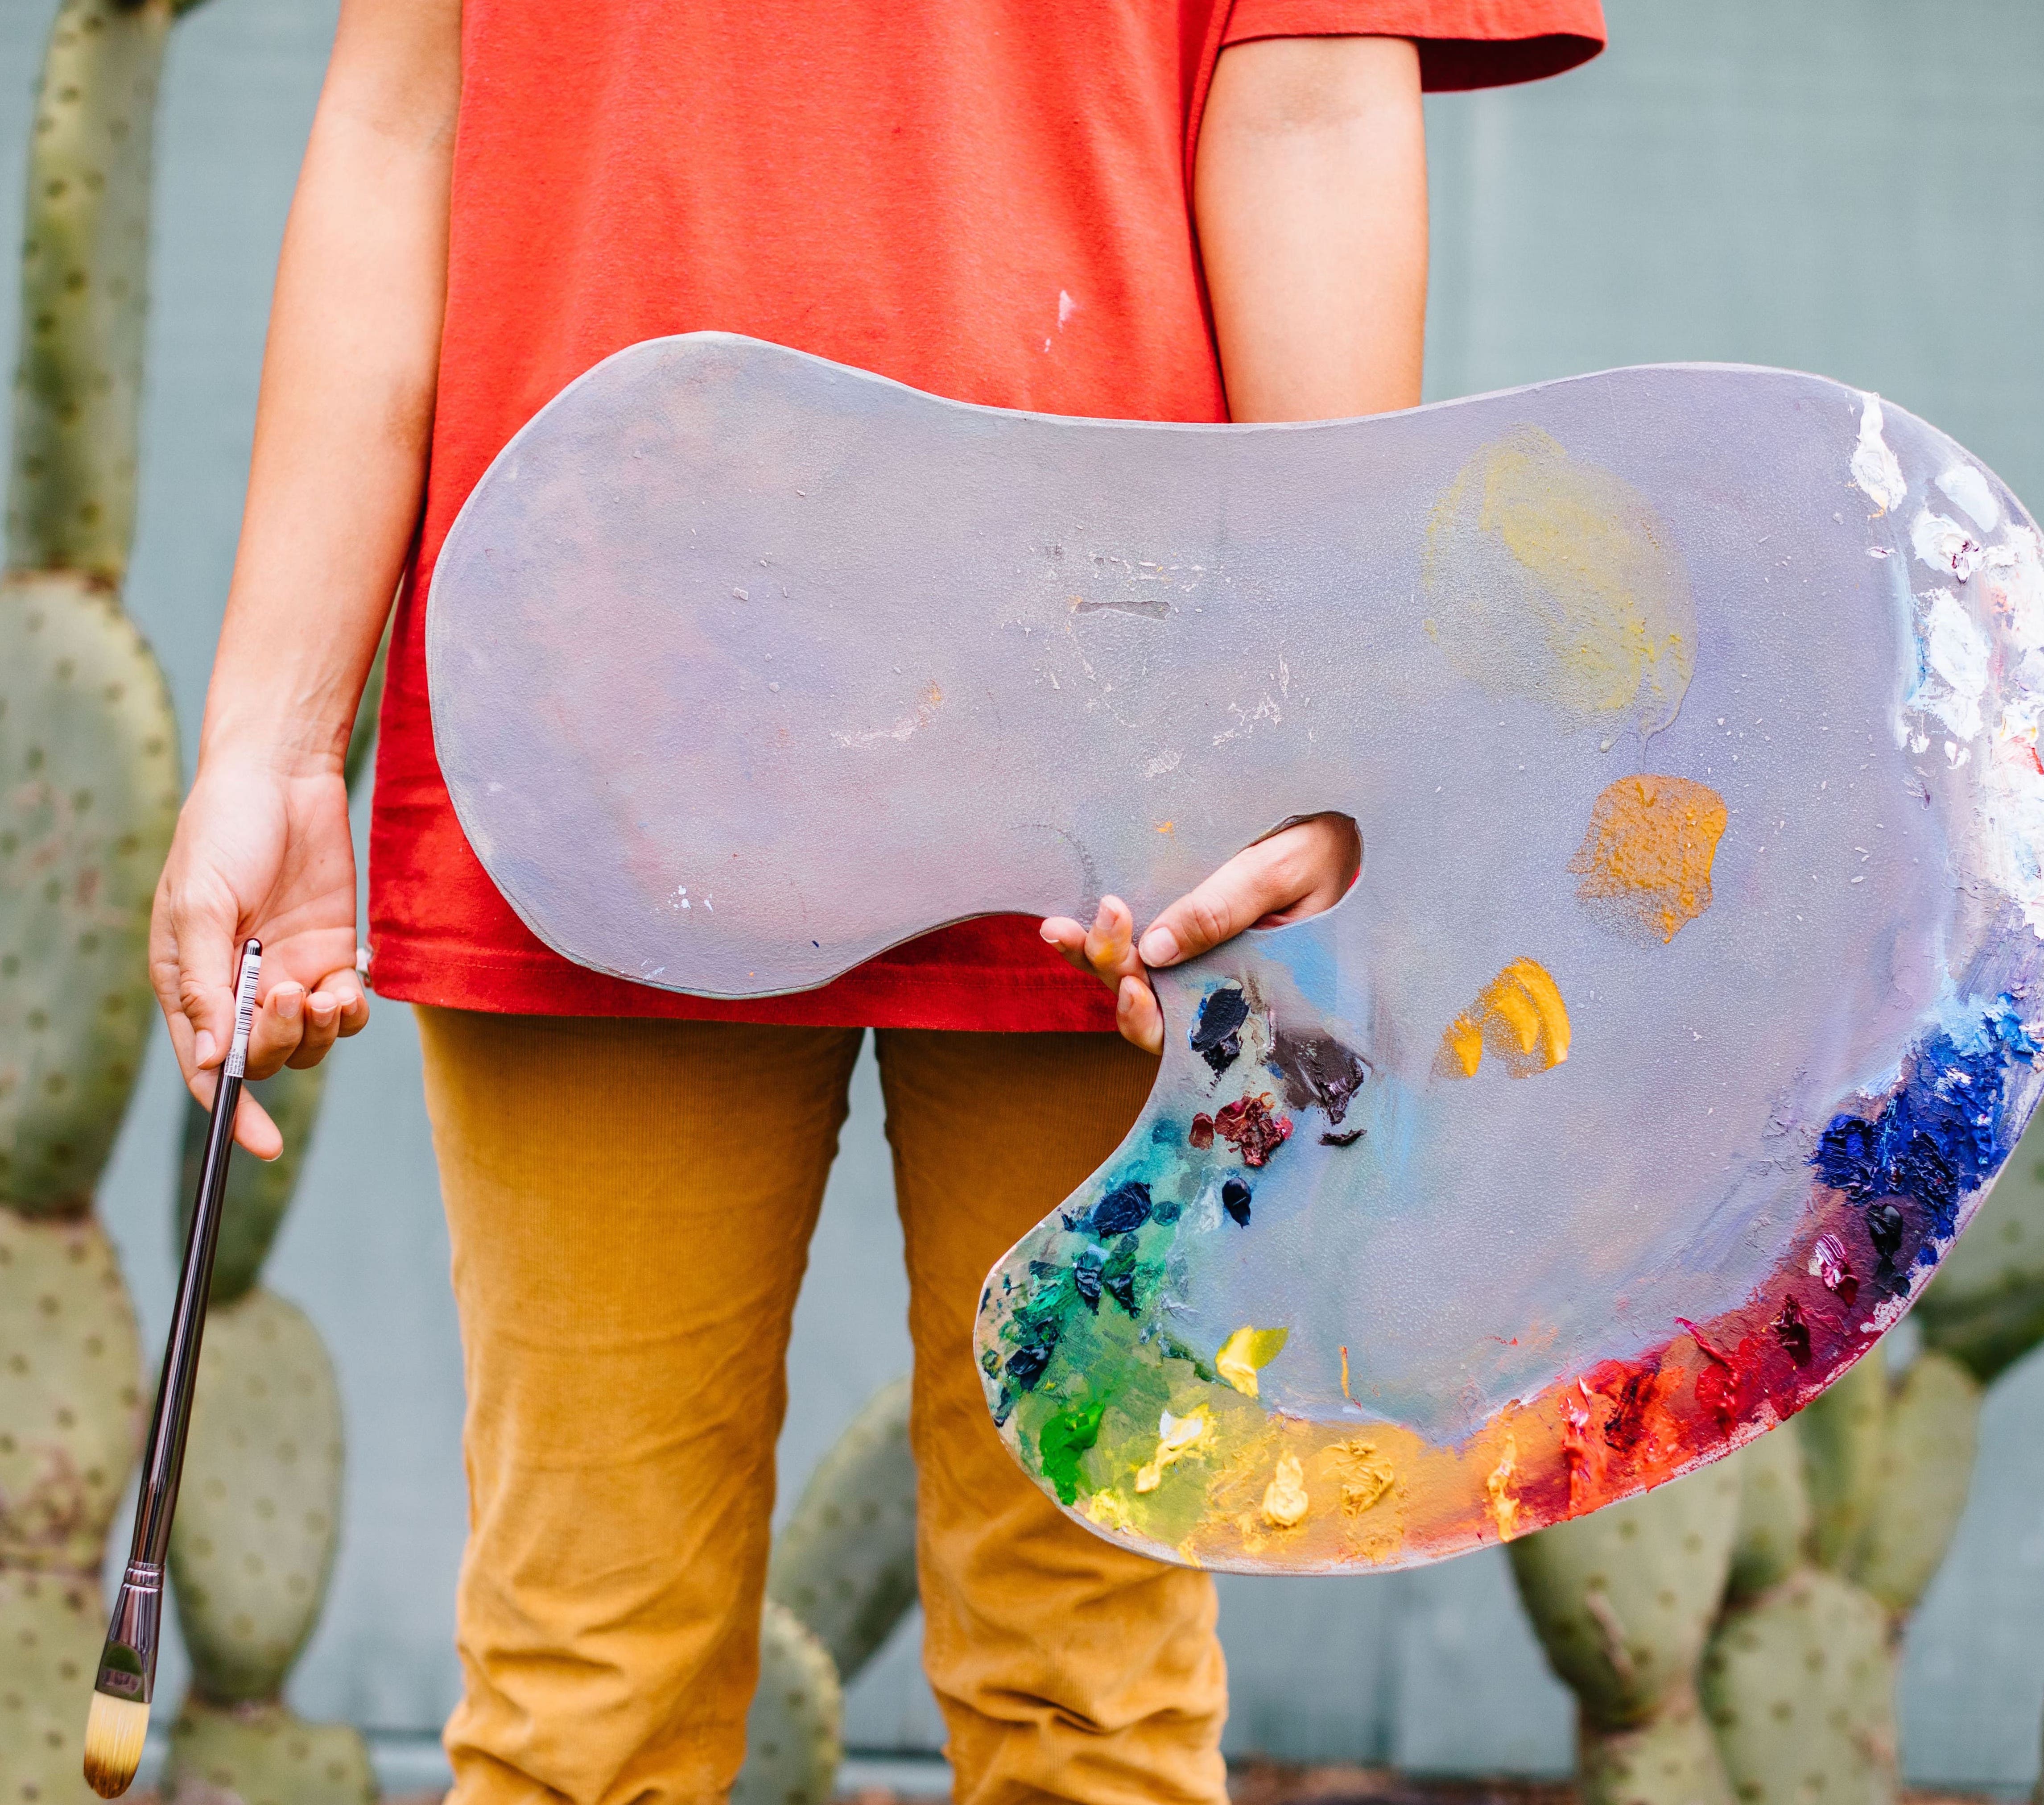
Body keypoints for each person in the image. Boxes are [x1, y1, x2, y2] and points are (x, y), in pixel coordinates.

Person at [148, 5, 1605, 1802]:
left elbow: (1305, 92)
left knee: (1090, 1688)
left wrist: (1321, 716)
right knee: (582, 1691)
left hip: (1126, 792)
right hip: (603, 734)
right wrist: (274, 739)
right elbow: (403, 113)